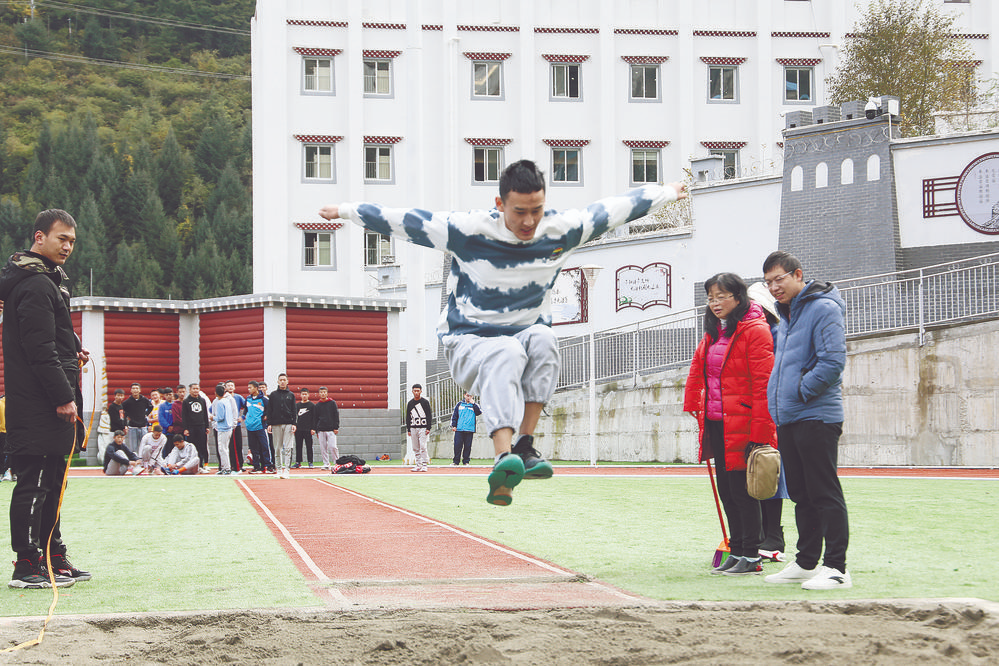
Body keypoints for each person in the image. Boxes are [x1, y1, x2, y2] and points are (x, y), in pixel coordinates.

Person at [320, 159, 686, 504]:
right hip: (467, 341)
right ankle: (502, 457)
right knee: (506, 352)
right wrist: (349, 210)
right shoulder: (468, 231)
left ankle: (524, 447)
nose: (529, 222)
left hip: (525, 335)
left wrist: (667, 192)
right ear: (500, 204)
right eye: (519, 212)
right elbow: (408, 221)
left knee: (544, 340)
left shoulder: (564, 229)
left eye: (536, 210)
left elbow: (615, 209)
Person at [1, 208, 91, 587]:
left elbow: (53, 333)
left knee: (54, 481)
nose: (67, 246)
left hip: (51, 400)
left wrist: (76, 348)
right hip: (38, 402)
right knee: (35, 482)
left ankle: (52, 554)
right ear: (39, 237)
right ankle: (26, 563)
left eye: (72, 241)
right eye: (61, 239)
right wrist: (62, 396)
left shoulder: (48, 281)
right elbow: (38, 347)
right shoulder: (35, 283)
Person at [761, 251, 852, 590]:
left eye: (779, 279)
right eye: (768, 282)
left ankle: (837, 568)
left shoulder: (823, 308)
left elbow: (832, 362)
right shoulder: (786, 316)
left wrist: (800, 391)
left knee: (824, 491)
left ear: (798, 275)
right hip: (790, 418)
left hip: (817, 416)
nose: (774, 287)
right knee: (800, 492)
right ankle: (806, 561)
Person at [683, 273, 777, 576]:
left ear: (738, 297)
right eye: (710, 298)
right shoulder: (714, 333)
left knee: (743, 491)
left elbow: (763, 385)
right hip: (718, 423)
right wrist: (694, 406)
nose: (715, 303)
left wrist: (761, 432)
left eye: (721, 296)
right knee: (727, 490)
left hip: (744, 424)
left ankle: (751, 555)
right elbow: (701, 373)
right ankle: (736, 550)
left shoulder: (755, 330)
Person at [747, 281, 790, 561]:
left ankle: (772, 535)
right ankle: (764, 534)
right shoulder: (757, 334)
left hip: (770, 412)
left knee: (768, 470)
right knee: (756, 471)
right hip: (753, 411)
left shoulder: (774, 334)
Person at [265, 373, 297, 479]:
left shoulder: (291, 395)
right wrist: (269, 423)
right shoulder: (273, 395)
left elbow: (294, 410)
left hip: (288, 424)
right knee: (277, 448)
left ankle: (286, 471)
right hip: (275, 424)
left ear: (287, 381)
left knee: (288, 448)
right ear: (278, 382)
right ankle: (278, 470)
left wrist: (294, 423)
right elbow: (269, 410)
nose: (282, 381)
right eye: (280, 380)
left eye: (284, 380)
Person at [182, 382, 211, 474]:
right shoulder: (186, 401)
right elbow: (184, 416)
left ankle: (202, 465)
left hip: (201, 427)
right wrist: (185, 428)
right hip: (191, 427)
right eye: (194, 388)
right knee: (192, 447)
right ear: (190, 390)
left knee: (202, 446)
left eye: (197, 388)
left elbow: (205, 414)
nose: (195, 390)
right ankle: (192, 466)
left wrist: (207, 426)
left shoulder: (202, 400)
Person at [244, 381, 272, 473]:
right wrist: (244, 419)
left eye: (250, 387)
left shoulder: (264, 399)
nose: (248, 390)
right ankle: (256, 466)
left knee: (264, 446)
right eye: (248, 388)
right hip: (250, 427)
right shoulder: (248, 399)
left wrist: (266, 416)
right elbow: (245, 411)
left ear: (256, 388)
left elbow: (270, 410)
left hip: (260, 427)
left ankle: (268, 466)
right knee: (253, 448)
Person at [405, 384, 432, 472]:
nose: (416, 392)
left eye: (418, 390)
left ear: (421, 391)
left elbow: (429, 415)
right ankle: (418, 464)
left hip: (423, 427)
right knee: (415, 447)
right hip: (413, 427)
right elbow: (408, 417)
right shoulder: (410, 403)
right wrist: (408, 429)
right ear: (412, 391)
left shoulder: (425, 402)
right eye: (415, 391)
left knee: (423, 446)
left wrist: (428, 427)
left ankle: (424, 464)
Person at [450, 392, 481, 466]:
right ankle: (456, 461)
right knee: (457, 445)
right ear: (464, 395)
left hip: (469, 429)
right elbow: (455, 415)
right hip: (460, 429)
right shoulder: (459, 404)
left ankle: (466, 461)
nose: (468, 397)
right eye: (467, 396)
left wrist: (473, 403)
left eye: (470, 396)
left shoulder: (474, 405)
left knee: (467, 446)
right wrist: (454, 425)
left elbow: (479, 412)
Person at [122, 383, 153, 455]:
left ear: (140, 390)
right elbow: (123, 412)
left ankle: (144, 461)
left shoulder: (144, 400)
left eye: (137, 388)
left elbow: (151, 407)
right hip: (132, 427)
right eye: (133, 388)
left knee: (145, 446)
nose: (135, 390)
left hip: (143, 426)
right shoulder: (127, 402)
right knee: (133, 447)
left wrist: (146, 414)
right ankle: (135, 461)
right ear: (131, 390)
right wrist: (126, 422)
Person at [313, 386, 340, 470]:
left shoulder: (332, 403)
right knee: (323, 448)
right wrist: (317, 430)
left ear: (327, 393)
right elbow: (315, 418)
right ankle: (326, 463)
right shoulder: (317, 405)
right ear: (319, 394)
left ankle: (336, 463)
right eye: (321, 392)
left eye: (324, 392)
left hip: (331, 429)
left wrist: (336, 427)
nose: (323, 394)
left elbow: (336, 415)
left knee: (333, 447)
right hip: (321, 430)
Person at [212, 383, 235, 475]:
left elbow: (220, 417)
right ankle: (225, 467)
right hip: (228, 427)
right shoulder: (227, 401)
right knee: (225, 448)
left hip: (223, 428)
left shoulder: (220, 402)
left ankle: (226, 468)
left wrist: (212, 418)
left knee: (222, 449)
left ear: (216, 393)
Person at [293, 388, 316, 469]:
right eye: (303, 394)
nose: (304, 396)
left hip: (308, 429)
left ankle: (310, 462)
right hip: (299, 429)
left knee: (309, 446)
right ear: (300, 395)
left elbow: (314, 418)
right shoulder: (297, 406)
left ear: (308, 395)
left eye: (306, 394)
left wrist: (313, 428)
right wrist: (294, 426)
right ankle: (298, 462)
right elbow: (294, 417)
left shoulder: (312, 405)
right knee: (298, 446)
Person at [225, 380, 244, 473]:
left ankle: (240, 464)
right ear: (225, 388)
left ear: (235, 387)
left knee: (239, 445)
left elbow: (248, 407)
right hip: (227, 426)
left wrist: (243, 417)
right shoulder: (223, 398)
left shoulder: (238, 397)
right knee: (230, 446)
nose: (230, 387)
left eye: (232, 385)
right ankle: (232, 465)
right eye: (228, 385)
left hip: (237, 425)